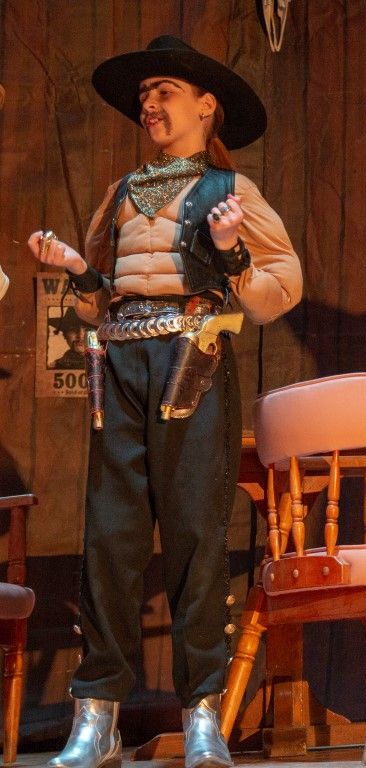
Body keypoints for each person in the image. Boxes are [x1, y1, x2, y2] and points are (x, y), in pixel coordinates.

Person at [27, 36, 302, 768]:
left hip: (193, 363)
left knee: (195, 537)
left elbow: (280, 290)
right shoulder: (121, 192)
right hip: (120, 367)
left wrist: (233, 252)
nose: (149, 104)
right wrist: (75, 268)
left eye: (164, 91)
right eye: (144, 94)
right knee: (110, 537)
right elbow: (96, 302)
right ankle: (97, 717)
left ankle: (203, 712)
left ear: (206, 106)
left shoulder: (231, 191)